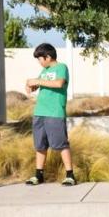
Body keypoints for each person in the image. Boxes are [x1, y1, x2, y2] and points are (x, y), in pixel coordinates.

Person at [25, 43, 76, 186]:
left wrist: (38, 81)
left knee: (61, 144)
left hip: (54, 113)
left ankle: (70, 175)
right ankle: (38, 175)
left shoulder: (61, 67)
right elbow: (41, 84)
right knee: (40, 145)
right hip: (40, 112)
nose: (39, 62)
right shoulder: (44, 71)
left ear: (48, 57)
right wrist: (31, 86)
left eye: (40, 59)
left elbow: (59, 83)